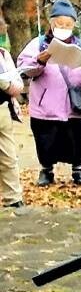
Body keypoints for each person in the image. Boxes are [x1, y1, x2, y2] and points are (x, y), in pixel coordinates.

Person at [17, 0, 81, 187]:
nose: (64, 27)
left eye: (68, 24)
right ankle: (46, 170)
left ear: (73, 25)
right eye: (59, 23)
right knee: (45, 139)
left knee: (75, 137)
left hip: (73, 103)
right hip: (45, 104)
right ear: (51, 22)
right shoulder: (38, 43)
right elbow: (23, 69)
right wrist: (40, 60)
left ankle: (78, 170)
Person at [0, 22, 23, 207]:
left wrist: (15, 86)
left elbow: (15, 77)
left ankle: (13, 198)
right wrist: (7, 86)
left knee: (8, 156)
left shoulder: (3, 54)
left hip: (2, 108)